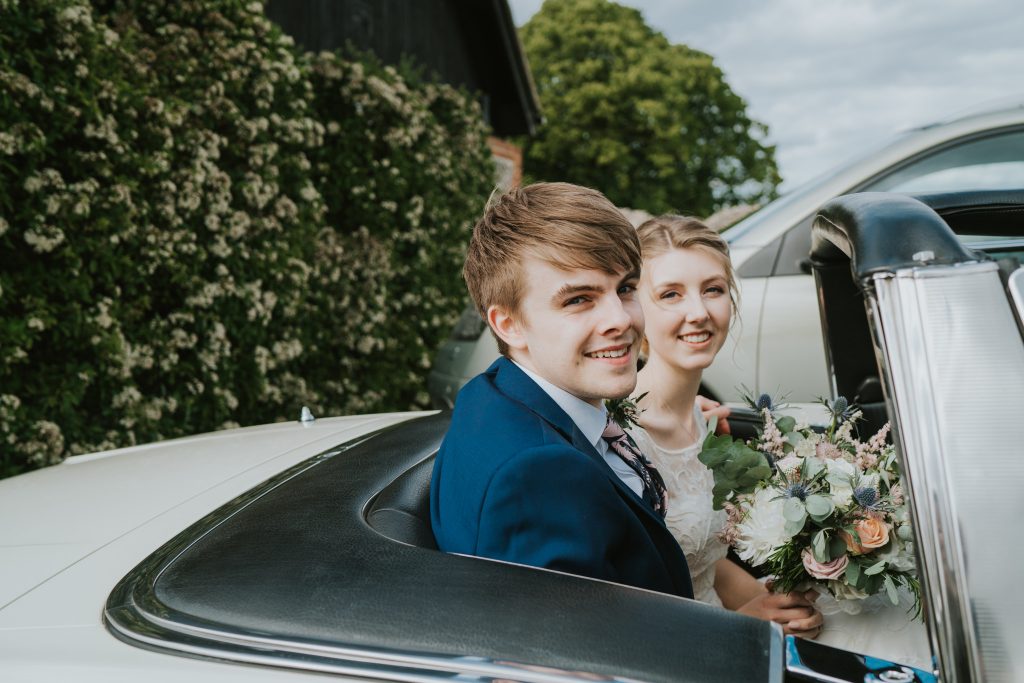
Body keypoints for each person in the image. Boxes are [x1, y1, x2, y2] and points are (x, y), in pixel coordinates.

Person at [430, 183, 694, 599]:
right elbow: (587, 654)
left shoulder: (495, 391)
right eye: (578, 300)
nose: (620, 320)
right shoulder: (537, 477)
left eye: (625, 288)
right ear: (508, 324)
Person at [627, 215, 823, 637]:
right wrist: (740, 626)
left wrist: (776, 609)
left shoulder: (707, 421)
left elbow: (707, 565)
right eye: (671, 295)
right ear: (635, 309)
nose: (698, 312)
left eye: (712, 290)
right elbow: (621, 608)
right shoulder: (620, 437)